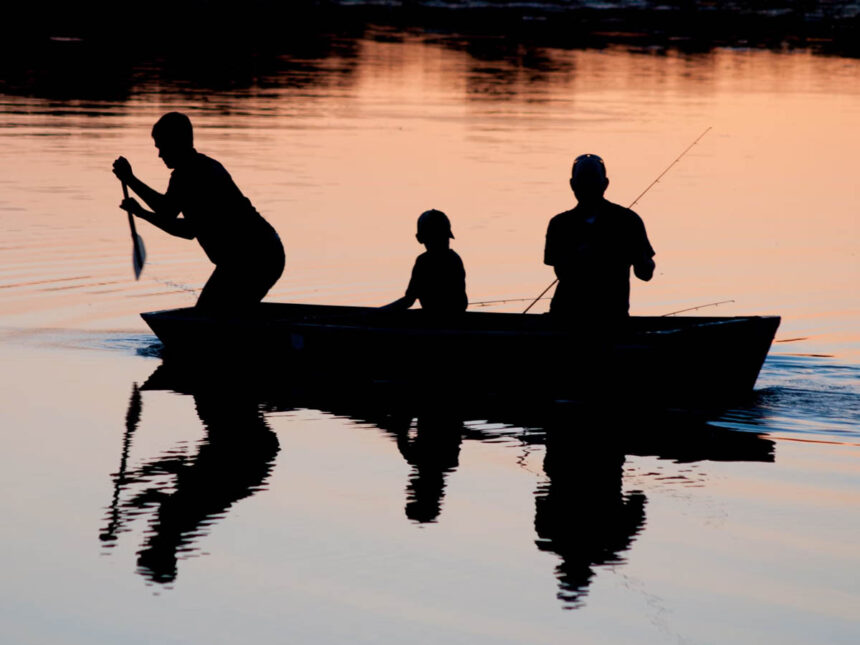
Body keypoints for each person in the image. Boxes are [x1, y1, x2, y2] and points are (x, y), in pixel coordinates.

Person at [112, 112, 285, 312]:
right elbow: (185, 228)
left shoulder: (192, 174)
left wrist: (131, 181)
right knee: (213, 314)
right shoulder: (194, 170)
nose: (159, 155)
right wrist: (141, 211)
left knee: (212, 316)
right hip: (250, 257)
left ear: (176, 143)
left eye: (162, 147)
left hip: (255, 257)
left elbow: (167, 212)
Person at [544, 154, 655, 321]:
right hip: (565, 316)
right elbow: (562, 272)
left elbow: (645, 274)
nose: (588, 185)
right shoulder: (560, 224)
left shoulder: (629, 220)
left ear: (605, 183)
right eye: (583, 179)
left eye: (593, 179)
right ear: (572, 184)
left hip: (612, 316)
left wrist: (639, 256)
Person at [382, 209, 468, 313]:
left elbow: (409, 300)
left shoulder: (423, 262)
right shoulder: (455, 259)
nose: (443, 242)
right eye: (440, 238)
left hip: (437, 321)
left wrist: (380, 312)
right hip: (452, 319)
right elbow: (462, 304)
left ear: (419, 238)